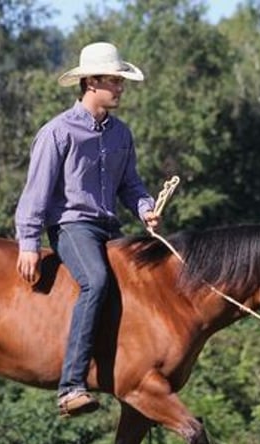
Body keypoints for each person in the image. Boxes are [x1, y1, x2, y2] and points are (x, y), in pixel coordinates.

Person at [14, 41, 160, 418]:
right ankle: (71, 387)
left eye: (121, 81)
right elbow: (36, 192)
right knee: (96, 281)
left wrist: (145, 208)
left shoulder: (121, 134)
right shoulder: (57, 132)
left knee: (143, 288)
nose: (121, 88)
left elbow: (130, 184)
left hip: (110, 227)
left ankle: (131, 375)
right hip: (71, 226)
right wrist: (28, 242)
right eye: (115, 81)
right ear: (91, 82)